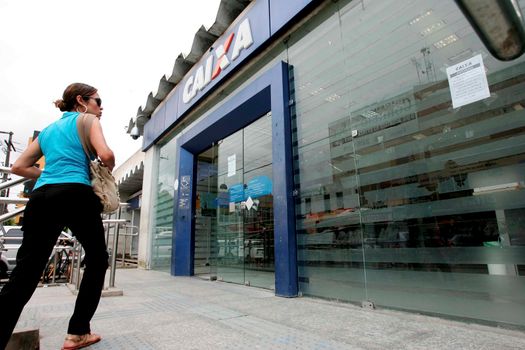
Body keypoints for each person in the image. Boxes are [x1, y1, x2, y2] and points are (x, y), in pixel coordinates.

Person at [0, 83, 115, 350]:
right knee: (98, 260)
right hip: (76, 194)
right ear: (81, 101)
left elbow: (19, 166)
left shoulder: (49, 130)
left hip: (42, 198)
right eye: (98, 101)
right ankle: (77, 332)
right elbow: (106, 154)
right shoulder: (88, 120)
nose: (101, 107)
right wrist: (105, 169)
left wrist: (50, 177)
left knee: (26, 273)